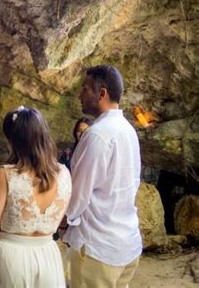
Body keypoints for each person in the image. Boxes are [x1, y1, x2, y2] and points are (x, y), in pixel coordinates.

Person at [62, 65, 142, 288]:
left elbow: (78, 195)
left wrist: (61, 222)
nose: (79, 94)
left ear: (101, 94)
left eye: (84, 88)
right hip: (126, 243)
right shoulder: (128, 130)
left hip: (98, 248)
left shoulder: (97, 135)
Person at [0, 106, 72, 287]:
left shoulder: (4, 174)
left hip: (9, 261)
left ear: (14, 141)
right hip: (48, 258)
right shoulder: (64, 174)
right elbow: (62, 221)